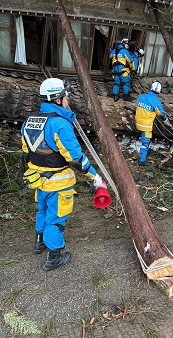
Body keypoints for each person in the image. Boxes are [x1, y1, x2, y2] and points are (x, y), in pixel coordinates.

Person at [21, 77, 105, 271]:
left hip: (38, 180)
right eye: (66, 96)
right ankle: (53, 257)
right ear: (58, 99)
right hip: (58, 184)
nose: (68, 100)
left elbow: (27, 150)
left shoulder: (29, 121)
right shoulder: (60, 124)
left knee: (41, 211)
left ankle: (39, 243)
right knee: (56, 220)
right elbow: (76, 159)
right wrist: (94, 177)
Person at [135, 80, 172, 166]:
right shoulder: (156, 101)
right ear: (159, 91)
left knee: (144, 138)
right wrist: (168, 124)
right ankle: (142, 161)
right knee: (145, 143)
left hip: (138, 122)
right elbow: (162, 115)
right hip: (146, 126)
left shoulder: (141, 97)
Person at [109, 38, 136, 102]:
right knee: (126, 83)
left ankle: (115, 97)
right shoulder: (125, 51)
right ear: (123, 44)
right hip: (123, 71)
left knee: (116, 84)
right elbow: (130, 61)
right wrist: (134, 69)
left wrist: (111, 51)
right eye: (127, 44)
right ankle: (126, 97)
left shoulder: (114, 50)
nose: (128, 46)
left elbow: (109, 56)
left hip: (115, 71)